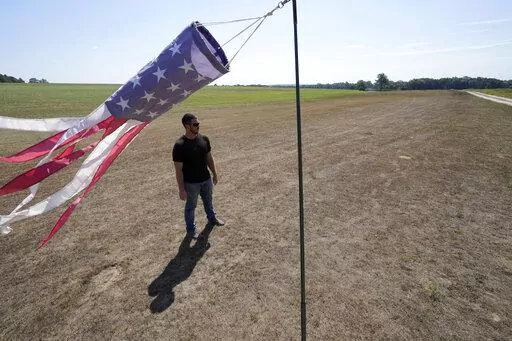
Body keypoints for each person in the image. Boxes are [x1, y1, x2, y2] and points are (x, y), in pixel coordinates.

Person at [172, 113, 225, 238]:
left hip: (206, 179)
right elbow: (178, 170)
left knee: (208, 201)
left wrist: (214, 174)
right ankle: (191, 230)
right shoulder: (179, 145)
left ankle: (212, 218)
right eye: (195, 124)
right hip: (191, 183)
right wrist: (181, 189)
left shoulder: (204, 139)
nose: (198, 126)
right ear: (186, 126)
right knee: (191, 206)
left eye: (198, 124)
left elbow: (209, 158)